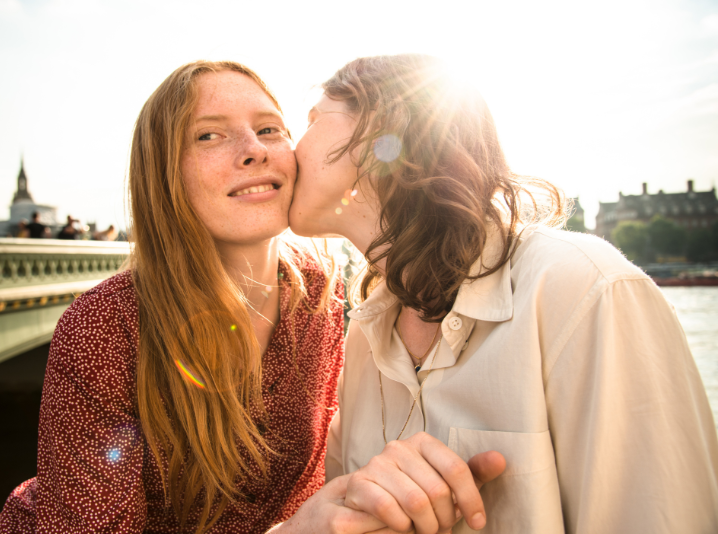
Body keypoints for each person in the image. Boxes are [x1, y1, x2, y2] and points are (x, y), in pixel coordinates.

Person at [0, 60, 503, 534]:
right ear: (163, 175)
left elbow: (306, 490)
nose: (253, 148)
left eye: (269, 130)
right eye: (208, 135)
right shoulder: (104, 326)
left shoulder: (318, 296)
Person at [288, 54, 718, 533]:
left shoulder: (584, 289)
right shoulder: (363, 338)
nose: (288, 145)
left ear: (378, 131)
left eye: (310, 120)